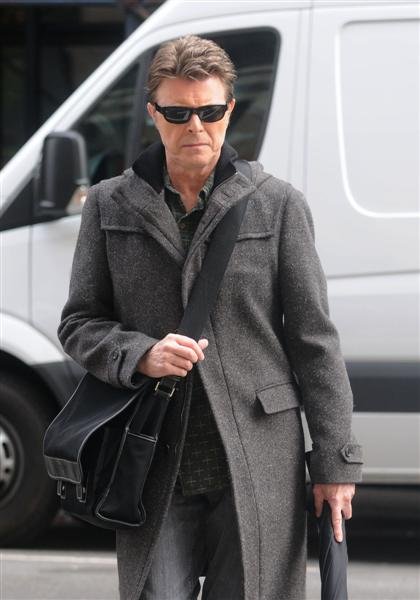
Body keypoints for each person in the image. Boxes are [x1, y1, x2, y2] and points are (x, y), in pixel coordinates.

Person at [57, 35, 363, 600]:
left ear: (230, 110)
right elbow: (79, 322)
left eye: (210, 111)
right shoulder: (108, 204)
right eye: (177, 113)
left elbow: (314, 341)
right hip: (152, 460)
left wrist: (335, 463)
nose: (195, 126)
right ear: (153, 113)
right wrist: (140, 354)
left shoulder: (277, 204)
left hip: (257, 459)